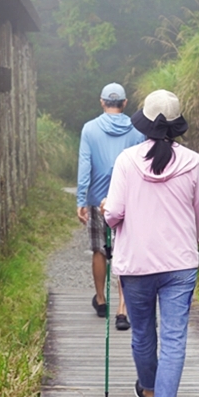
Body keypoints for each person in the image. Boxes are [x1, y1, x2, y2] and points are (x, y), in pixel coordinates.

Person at [102, 89, 199, 397]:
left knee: (143, 334)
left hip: (137, 264)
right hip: (180, 263)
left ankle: (147, 389)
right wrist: (188, 244)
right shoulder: (193, 162)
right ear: (177, 126)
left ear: (144, 123)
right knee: (174, 338)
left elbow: (114, 213)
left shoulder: (127, 161)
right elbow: (197, 215)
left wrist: (106, 211)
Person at [76, 83, 143, 329]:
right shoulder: (137, 130)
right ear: (125, 103)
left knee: (99, 251)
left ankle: (101, 301)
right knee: (124, 252)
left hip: (96, 199)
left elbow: (85, 166)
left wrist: (81, 199)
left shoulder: (89, 129)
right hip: (127, 200)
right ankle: (122, 310)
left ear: (102, 102)